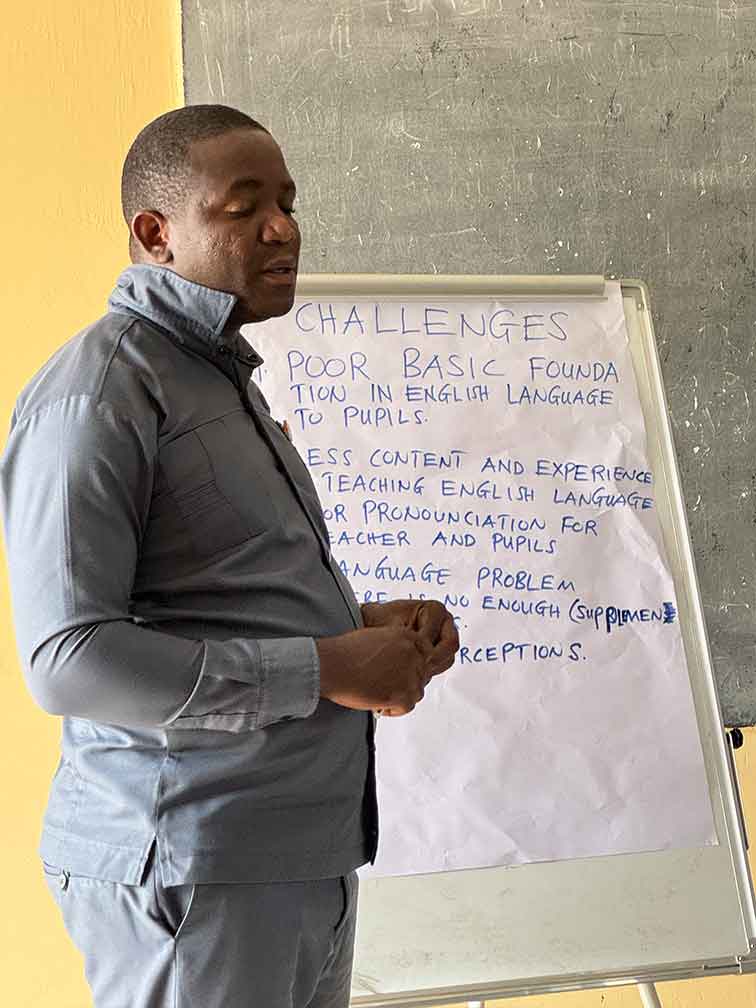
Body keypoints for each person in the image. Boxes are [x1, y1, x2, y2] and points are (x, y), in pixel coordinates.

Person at [0, 104, 459, 1008]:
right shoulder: (101, 391)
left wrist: (365, 631)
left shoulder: (218, 379)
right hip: (194, 866)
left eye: (287, 202)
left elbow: (208, 597)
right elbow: (68, 659)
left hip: (291, 859)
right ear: (156, 234)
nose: (283, 228)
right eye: (244, 208)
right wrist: (327, 666)